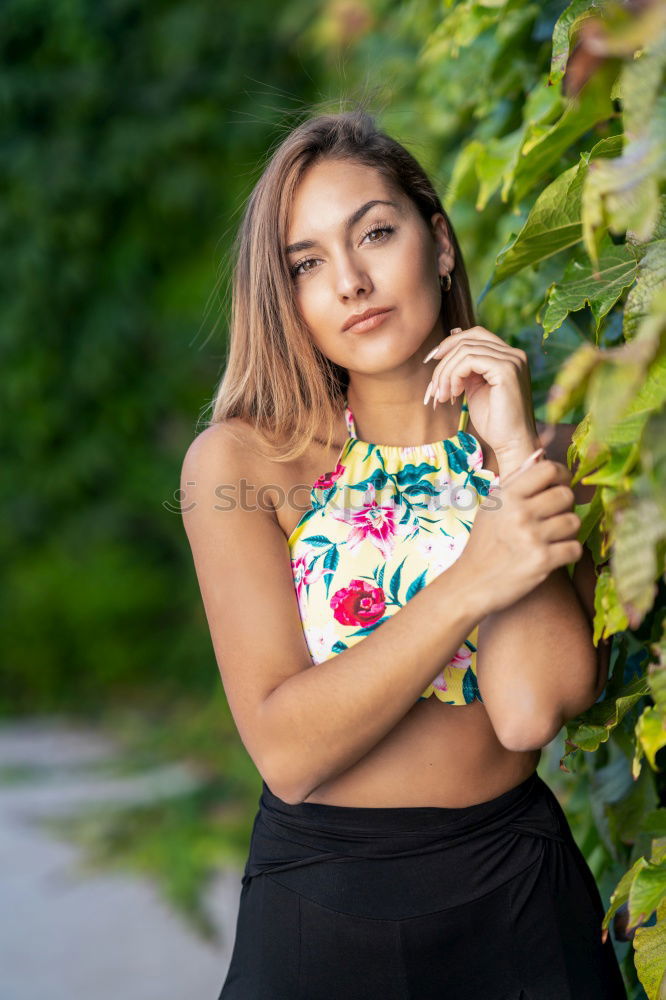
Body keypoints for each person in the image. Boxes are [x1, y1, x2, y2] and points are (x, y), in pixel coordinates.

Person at [180, 109, 627, 999]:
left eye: (375, 233)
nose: (350, 281)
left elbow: (531, 712)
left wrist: (509, 458)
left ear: (441, 244)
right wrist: (472, 579)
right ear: (290, 300)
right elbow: (286, 750)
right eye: (308, 263)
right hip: (320, 909)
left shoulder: (555, 456)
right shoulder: (242, 464)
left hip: (519, 904)